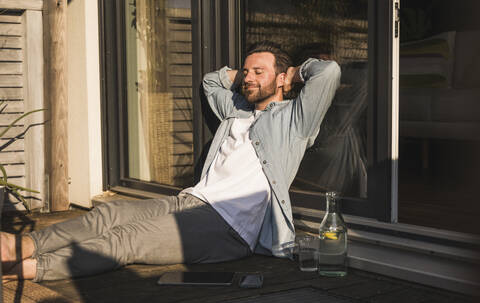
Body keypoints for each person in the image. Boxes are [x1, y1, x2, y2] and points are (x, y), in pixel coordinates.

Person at [1, 41, 340, 282]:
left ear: (282, 79)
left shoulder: (295, 120)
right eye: (247, 72)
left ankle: (31, 269)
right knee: (109, 214)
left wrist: (294, 72)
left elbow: (328, 72)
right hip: (189, 201)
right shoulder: (237, 110)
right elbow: (211, 81)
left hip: (227, 227)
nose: (249, 78)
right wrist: (244, 74)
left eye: (259, 72)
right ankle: (22, 245)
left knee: (125, 239)